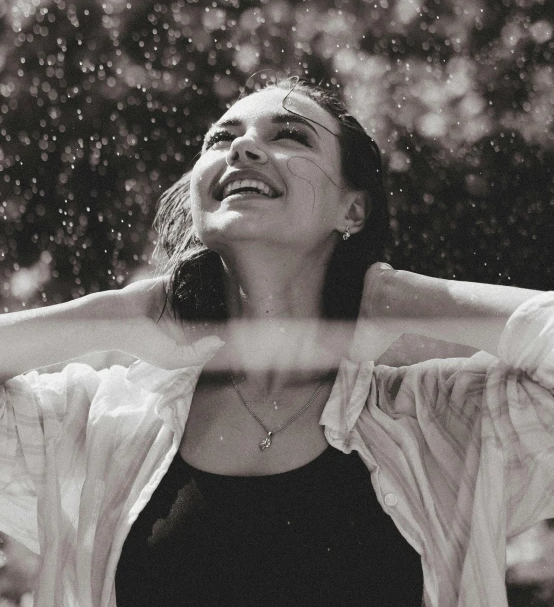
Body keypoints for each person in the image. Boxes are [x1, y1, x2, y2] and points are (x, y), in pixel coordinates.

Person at [0, 76, 553, 607]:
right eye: (221, 138)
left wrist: (407, 299)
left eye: (290, 135)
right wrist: (112, 314)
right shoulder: (95, 428)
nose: (242, 148)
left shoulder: (442, 425)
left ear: (352, 209)